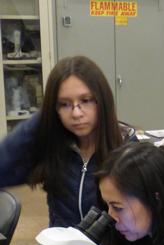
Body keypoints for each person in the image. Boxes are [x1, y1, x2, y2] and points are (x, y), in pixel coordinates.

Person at [0, 55, 136, 228]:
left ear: (102, 101)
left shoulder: (126, 149)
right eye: (64, 104)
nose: (76, 113)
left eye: (85, 101)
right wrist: (44, 120)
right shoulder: (55, 145)